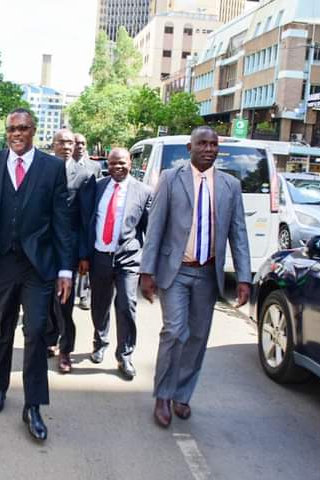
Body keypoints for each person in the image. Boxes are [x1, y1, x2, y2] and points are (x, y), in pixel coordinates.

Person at [0, 108, 73, 442]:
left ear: (33, 130)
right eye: (11, 129)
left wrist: (65, 268)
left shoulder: (52, 168)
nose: (16, 134)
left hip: (38, 265)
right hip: (2, 263)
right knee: (3, 325)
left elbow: (63, 222)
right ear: (6, 132)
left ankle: (33, 405)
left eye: (22, 128)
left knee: (36, 330)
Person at [140, 126, 251, 428]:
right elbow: (156, 228)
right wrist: (146, 271)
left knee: (198, 337)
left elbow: (238, 233)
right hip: (175, 271)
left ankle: (182, 393)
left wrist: (244, 278)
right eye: (202, 143)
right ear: (190, 148)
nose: (209, 149)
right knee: (175, 331)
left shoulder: (230, 185)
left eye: (214, 144)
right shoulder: (170, 178)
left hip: (207, 274)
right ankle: (163, 394)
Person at [79, 148, 151, 379]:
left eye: (121, 163)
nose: (116, 168)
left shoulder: (144, 192)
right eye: (112, 164)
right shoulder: (98, 187)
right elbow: (86, 223)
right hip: (99, 256)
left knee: (126, 304)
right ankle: (100, 342)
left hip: (128, 258)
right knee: (100, 304)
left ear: (130, 163)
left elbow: (149, 229)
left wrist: (150, 265)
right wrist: (84, 256)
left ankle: (125, 355)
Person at [47, 129, 93, 374]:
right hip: (43, 247)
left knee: (64, 302)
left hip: (69, 248)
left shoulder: (84, 175)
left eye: (70, 142)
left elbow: (86, 219)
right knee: (45, 300)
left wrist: (84, 254)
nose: (66, 146)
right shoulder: (41, 170)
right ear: (53, 144)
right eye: (61, 142)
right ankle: (50, 339)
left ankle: (66, 350)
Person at [72, 133, 101, 311]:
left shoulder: (94, 166)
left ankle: (84, 295)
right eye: (77, 143)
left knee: (85, 260)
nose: (80, 146)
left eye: (83, 143)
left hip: (87, 219)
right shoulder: (62, 163)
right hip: (68, 220)